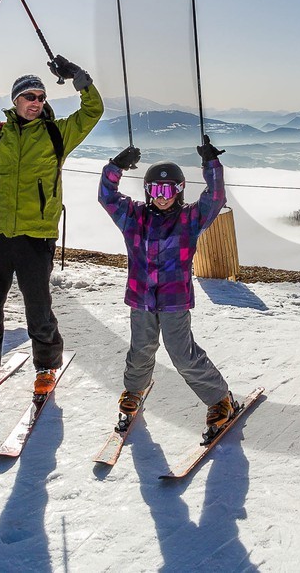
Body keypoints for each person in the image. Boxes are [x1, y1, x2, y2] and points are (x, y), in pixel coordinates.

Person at [0, 54, 102, 398]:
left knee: (39, 308)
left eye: (42, 97)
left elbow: (92, 111)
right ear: (15, 100)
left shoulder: (58, 134)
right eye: (30, 96)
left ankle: (45, 368)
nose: (37, 102)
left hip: (36, 235)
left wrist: (78, 77)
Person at [98, 137, 240, 440]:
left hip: (175, 301)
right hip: (141, 299)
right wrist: (116, 167)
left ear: (179, 191)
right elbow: (107, 196)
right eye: (156, 190)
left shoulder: (190, 219)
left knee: (182, 354)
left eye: (169, 190)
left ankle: (220, 399)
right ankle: (135, 390)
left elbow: (215, 199)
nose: (162, 197)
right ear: (148, 191)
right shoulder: (133, 216)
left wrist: (211, 165)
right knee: (140, 350)